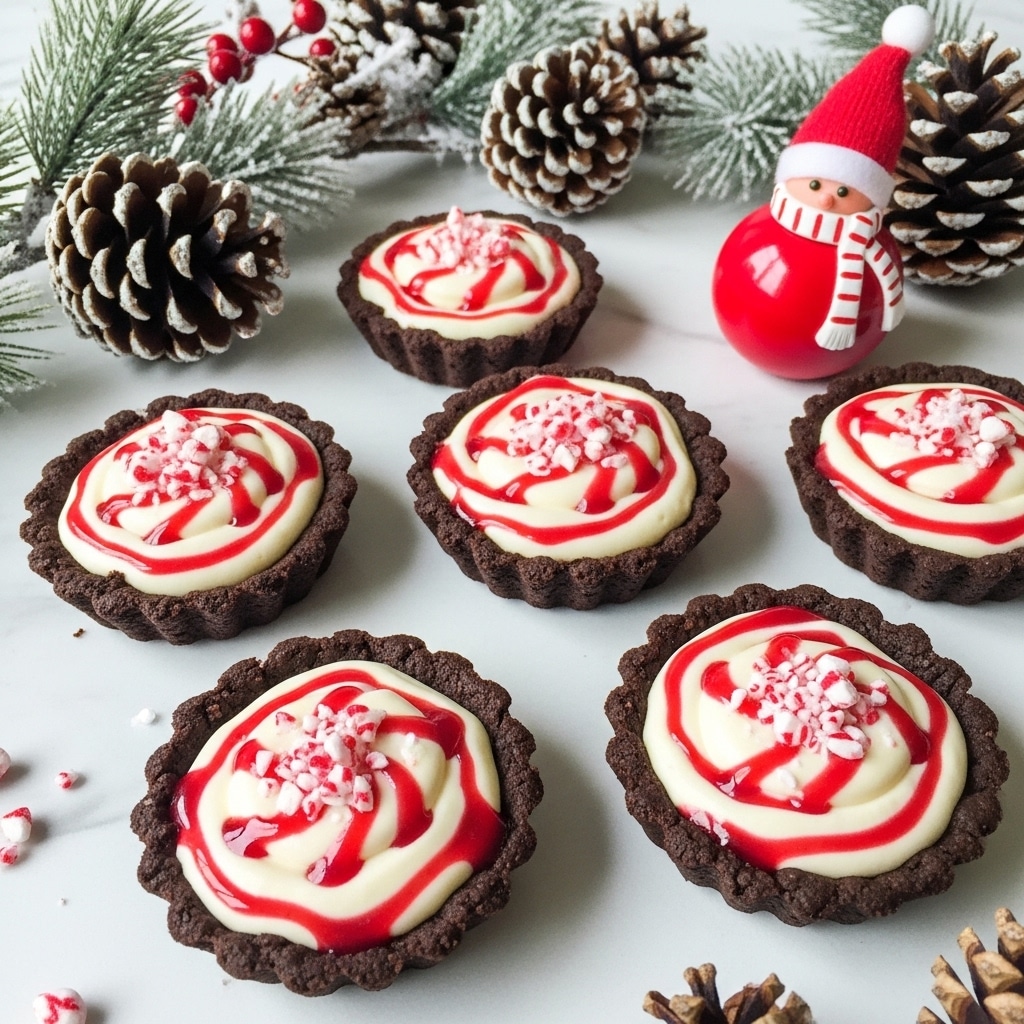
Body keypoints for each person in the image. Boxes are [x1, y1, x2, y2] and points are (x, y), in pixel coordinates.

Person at [712, 5, 935, 379]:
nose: (827, 198)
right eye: (815, 184)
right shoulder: (758, 236)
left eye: (846, 190)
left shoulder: (872, 247)